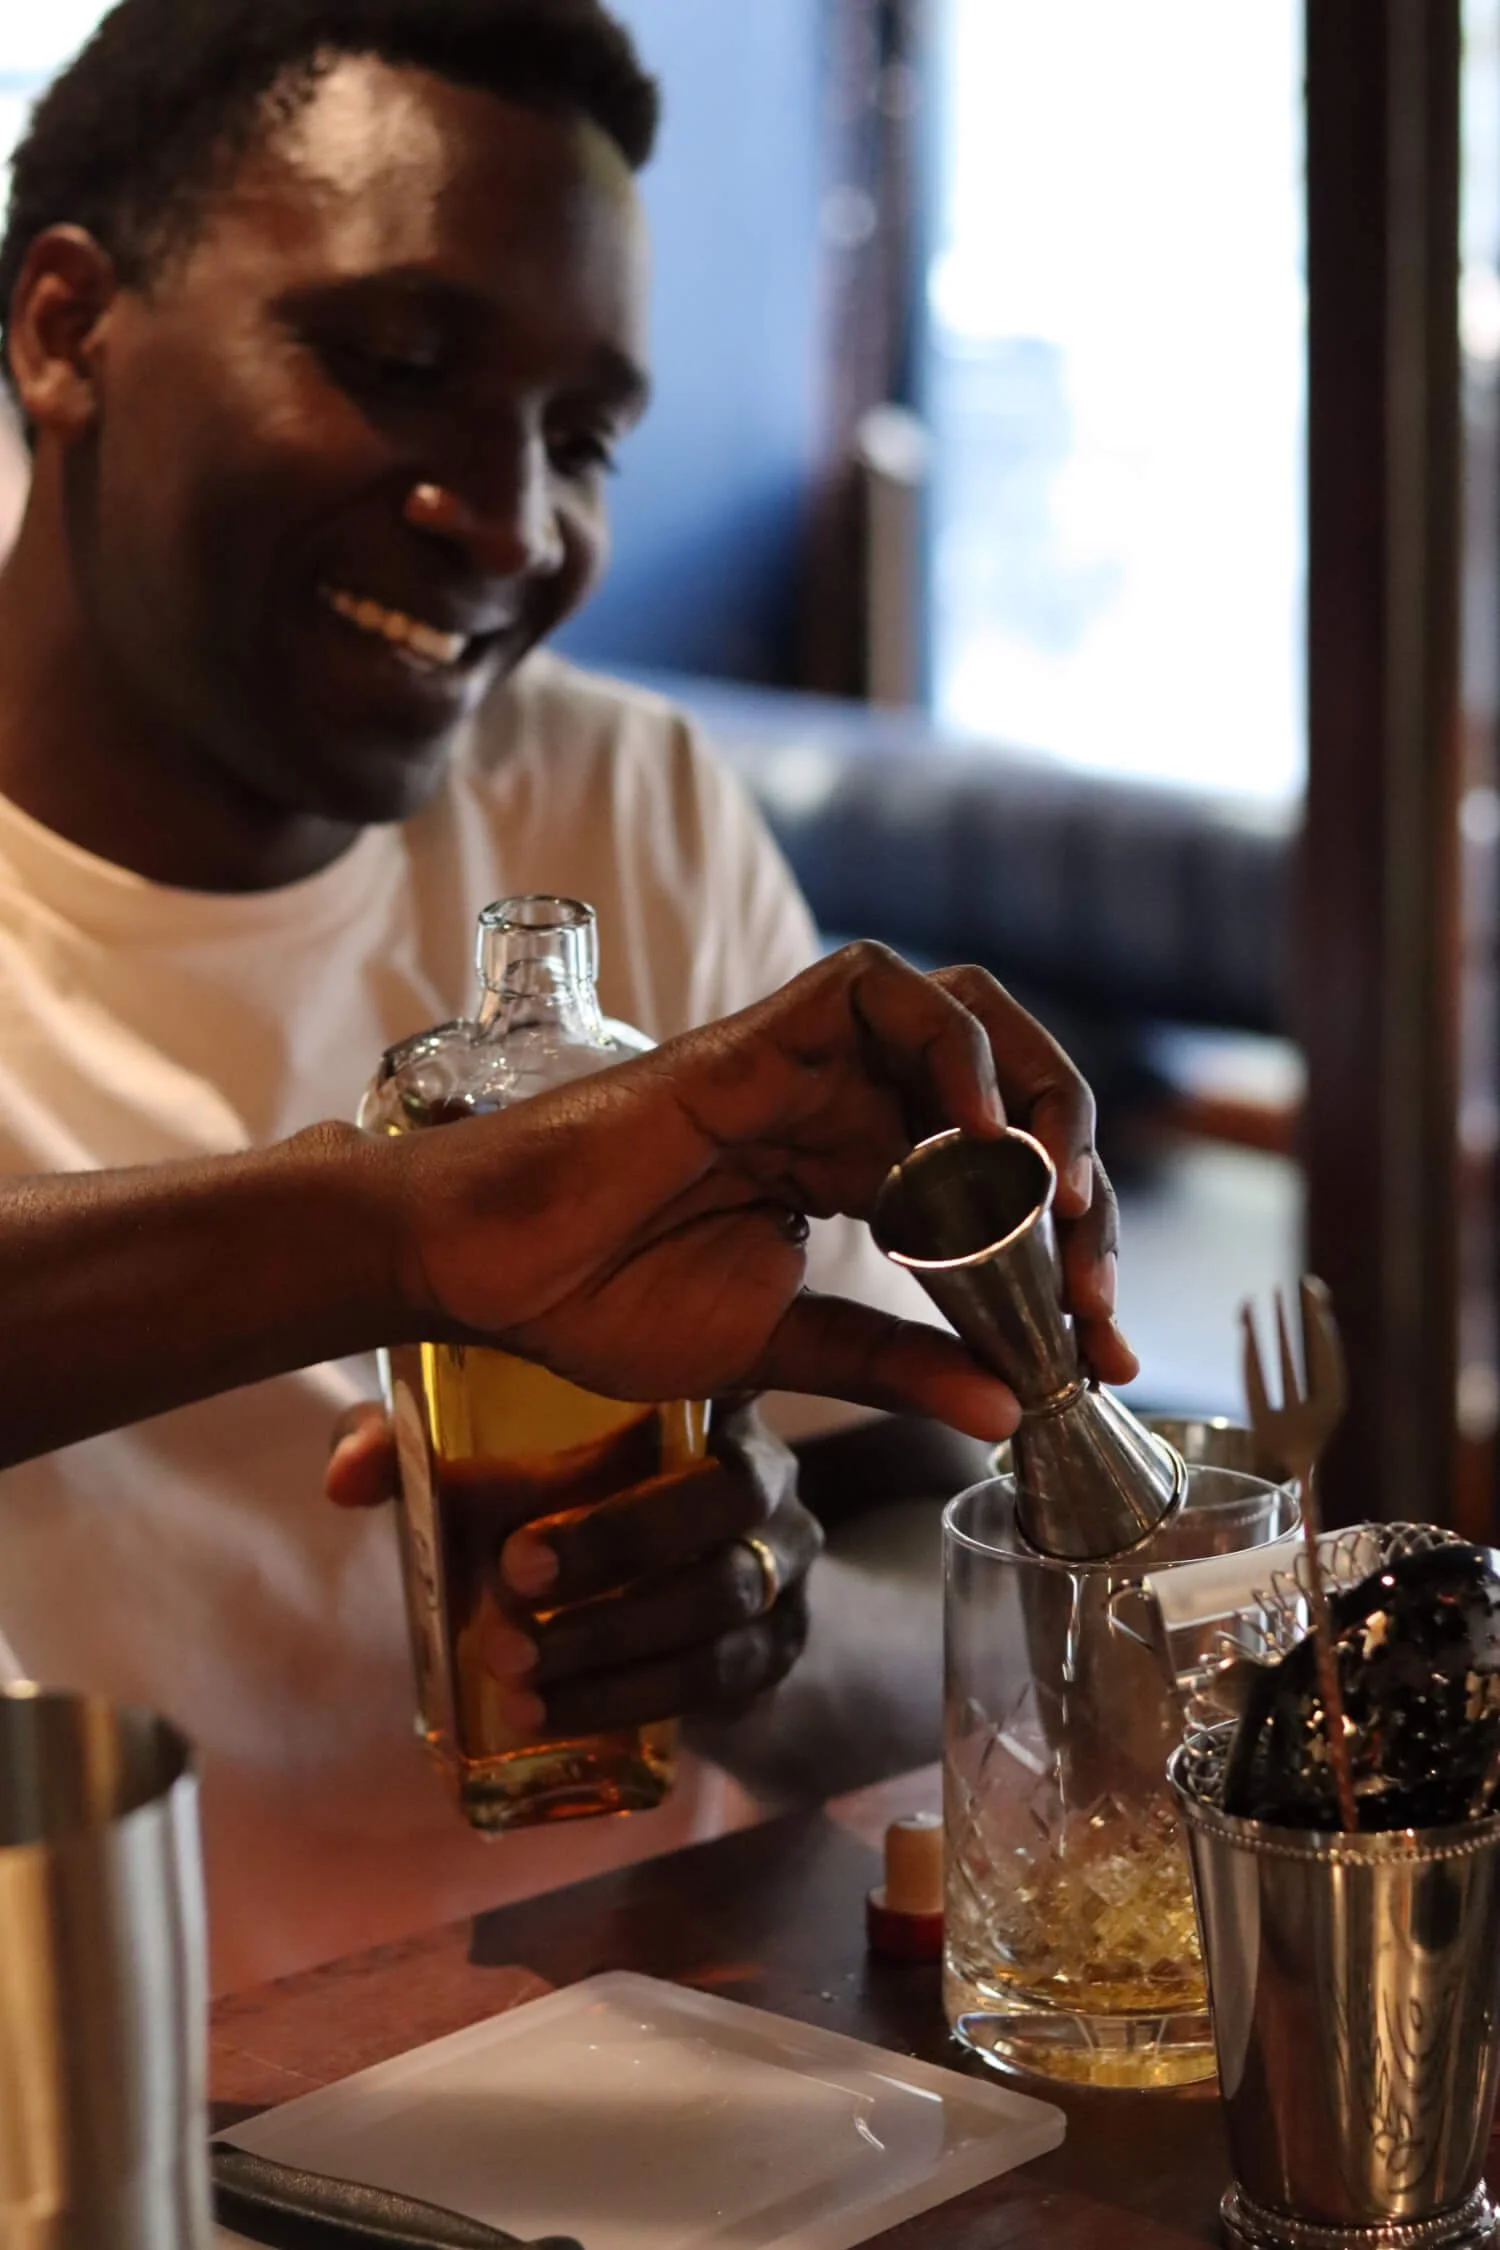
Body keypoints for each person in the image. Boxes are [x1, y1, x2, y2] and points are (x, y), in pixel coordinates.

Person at [0, 0, 1133, 1986]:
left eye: (584, 436)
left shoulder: (612, 798)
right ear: (65, 331)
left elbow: (926, 1565)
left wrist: (759, 1613)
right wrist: (419, 1230)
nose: (516, 524)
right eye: (402, 367)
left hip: (674, 2090)